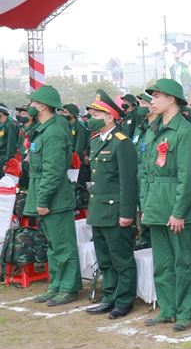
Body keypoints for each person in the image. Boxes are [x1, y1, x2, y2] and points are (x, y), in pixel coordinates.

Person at [142, 79, 191, 332]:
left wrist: (178, 211)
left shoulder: (186, 132)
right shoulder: (152, 130)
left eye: (157, 96)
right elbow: (145, 172)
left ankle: (186, 311)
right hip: (156, 204)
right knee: (163, 262)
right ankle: (167, 309)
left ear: (171, 100)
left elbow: (189, 177)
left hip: (177, 207)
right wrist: (145, 205)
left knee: (183, 262)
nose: (152, 101)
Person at [84, 90, 139, 319]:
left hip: (116, 211)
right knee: (105, 259)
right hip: (98, 210)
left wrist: (127, 213)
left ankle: (124, 300)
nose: (91, 117)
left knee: (121, 259)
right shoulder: (96, 141)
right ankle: (109, 297)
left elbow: (128, 182)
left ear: (109, 116)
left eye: (96, 113)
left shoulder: (121, 143)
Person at [26, 86, 81, 307]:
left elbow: (54, 170)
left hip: (54, 196)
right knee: (53, 244)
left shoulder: (54, 131)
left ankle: (68, 287)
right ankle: (56, 284)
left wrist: (43, 200)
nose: (30, 104)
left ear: (41, 105)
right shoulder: (45, 127)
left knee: (63, 245)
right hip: (46, 191)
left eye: (33, 101)